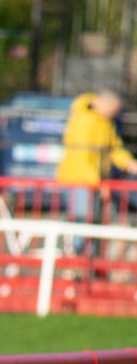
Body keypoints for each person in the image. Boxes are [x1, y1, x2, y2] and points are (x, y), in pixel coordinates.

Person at [57, 90, 133, 253]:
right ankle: (74, 260)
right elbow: (82, 158)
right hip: (78, 180)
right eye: (113, 110)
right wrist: (99, 184)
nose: (115, 114)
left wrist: (128, 162)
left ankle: (86, 265)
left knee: (92, 223)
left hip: (93, 181)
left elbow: (113, 148)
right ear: (102, 104)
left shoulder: (105, 122)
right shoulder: (84, 120)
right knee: (82, 221)